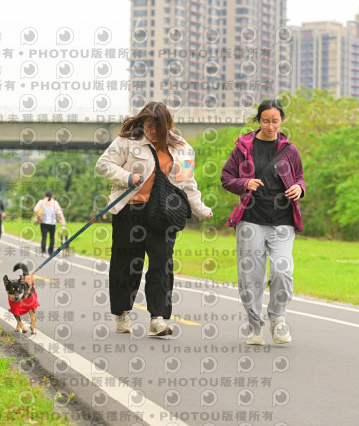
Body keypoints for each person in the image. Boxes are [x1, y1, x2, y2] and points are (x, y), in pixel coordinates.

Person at [95, 102, 213, 336]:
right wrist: (127, 177)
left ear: (167, 125)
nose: (152, 131)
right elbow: (103, 165)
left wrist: (201, 209)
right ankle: (122, 312)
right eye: (148, 126)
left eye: (157, 127)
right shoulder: (128, 141)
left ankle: (157, 319)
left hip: (163, 214)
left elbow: (188, 183)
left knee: (162, 263)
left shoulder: (183, 148)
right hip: (130, 211)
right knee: (127, 264)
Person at [221, 99, 306, 345]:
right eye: (266, 121)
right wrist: (244, 183)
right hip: (251, 220)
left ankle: (277, 319)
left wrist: (299, 188)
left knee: (283, 271)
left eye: (275, 121)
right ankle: (254, 325)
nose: (270, 126)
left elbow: (300, 177)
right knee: (251, 276)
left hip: (283, 220)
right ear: (258, 120)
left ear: (282, 121)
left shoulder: (290, 150)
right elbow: (226, 177)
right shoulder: (243, 147)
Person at [33, 190, 66, 256]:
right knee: (52, 237)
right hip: (52, 223)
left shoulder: (41, 202)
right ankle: (50, 252)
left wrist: (40, 211)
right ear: (52, 196)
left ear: (45, 195)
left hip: (43, 222)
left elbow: (35, 210)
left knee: (44, 237)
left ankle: (43, 252)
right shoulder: (55, 203)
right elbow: (59, 213)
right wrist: (62, 223)